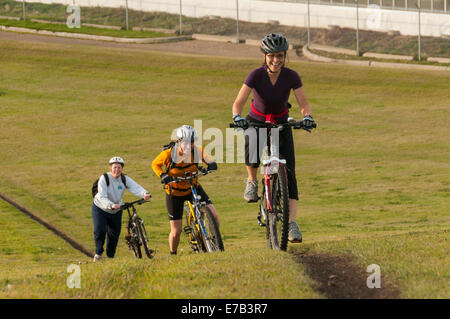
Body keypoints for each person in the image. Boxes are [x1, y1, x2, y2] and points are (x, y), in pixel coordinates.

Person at [231, 33, 316, 243]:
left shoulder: (292, 76)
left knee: (290, 172)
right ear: (265, 56)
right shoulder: (255, 75)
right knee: (252, 141)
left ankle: (292, 223)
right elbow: (238, 102)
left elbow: (303, 103)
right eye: (271, 56)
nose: (276, 60)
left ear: (285, 56)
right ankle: (251, 181)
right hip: (257, 120)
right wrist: (237, 117)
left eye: (280, 56)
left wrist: (307, 117)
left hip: (281, 122)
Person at [152, 125, 219, 255]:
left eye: (192, 143)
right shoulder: (168, 154)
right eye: (186, 143)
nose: (189, 146)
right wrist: (162, 175)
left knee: (214, 216)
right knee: (176, 232)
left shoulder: (198, 151)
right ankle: (173, 253)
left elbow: (208, 159)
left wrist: (211, 164)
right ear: (179, 142)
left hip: (193, 186)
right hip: (174, 192)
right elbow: (155, 164)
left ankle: (216, 243)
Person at [92, 156, 151, 262]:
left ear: (122, 168)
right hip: (100, 208)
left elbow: (135, 187)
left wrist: (144, 193)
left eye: (119, 167)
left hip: (116, 209)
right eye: (114, 167)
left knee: (114, 234)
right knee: (100, 231)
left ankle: (110, 257)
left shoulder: (124, 178)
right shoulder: (104, 178)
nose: (117, 170)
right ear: (110, 168)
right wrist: (111, 205)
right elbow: (101, 196)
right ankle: (98, 253)